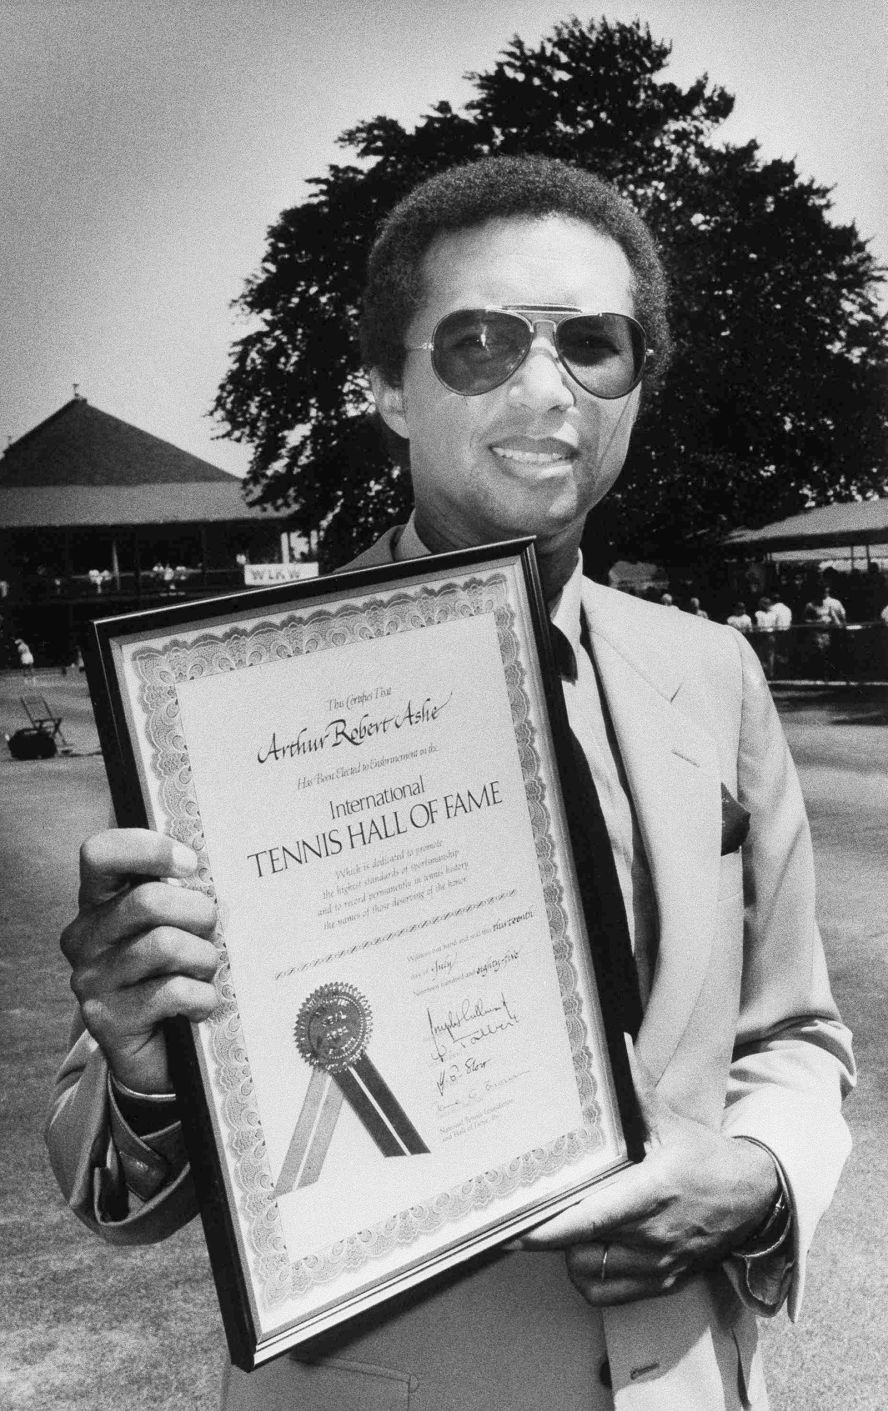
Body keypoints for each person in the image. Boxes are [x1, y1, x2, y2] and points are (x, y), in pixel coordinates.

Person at [46, 155, 853, 1411]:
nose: (547, 387)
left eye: (597, 343)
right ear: (387, 385)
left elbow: (795, 1032)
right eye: (481, 342)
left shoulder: (713, 672)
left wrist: (760, 1177)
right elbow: (122, 1204)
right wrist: (147, 1070)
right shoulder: (231, 699)